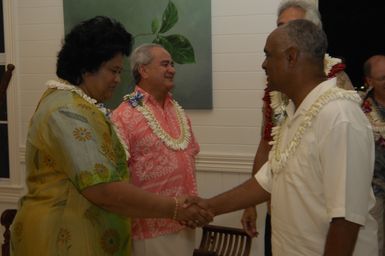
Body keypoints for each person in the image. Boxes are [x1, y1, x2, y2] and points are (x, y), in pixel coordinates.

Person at [10, 16, 212, 256]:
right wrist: (175, 207)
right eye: (113, 70)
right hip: (60, 238)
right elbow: (102, 189)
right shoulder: (66, 111)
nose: (118, 79)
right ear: (87, 67)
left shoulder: (79, 104)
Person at [187, 19, 378, 255]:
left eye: (268, 55)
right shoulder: (293, 115)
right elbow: (267, 181)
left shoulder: (339, 116)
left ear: (291, 57)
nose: (263, 65)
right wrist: (209, 206)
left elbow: (346, 220)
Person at [240, 1, 355, 254]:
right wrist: (250, 205)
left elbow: (346, 207)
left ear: (311, 32)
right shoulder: (276, 90)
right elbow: (266, 143)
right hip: (280, 211)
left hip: (319, 220)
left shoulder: (339, 91)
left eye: (292, 26)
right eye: (280, 26)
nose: (283, 32)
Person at [111, 43, 200, 256]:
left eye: (172, 64)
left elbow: (190, 160)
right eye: (165, 64)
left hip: (185, 225)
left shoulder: (177, 111)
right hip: (150, 230)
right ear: (143, 70)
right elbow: (118, 178)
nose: (172, 69)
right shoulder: (123, 116)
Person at [361, 55, 385, 256]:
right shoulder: (359, 109)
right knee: (376, 246)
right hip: (374, 190)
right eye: (383, 78)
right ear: (369, 81)